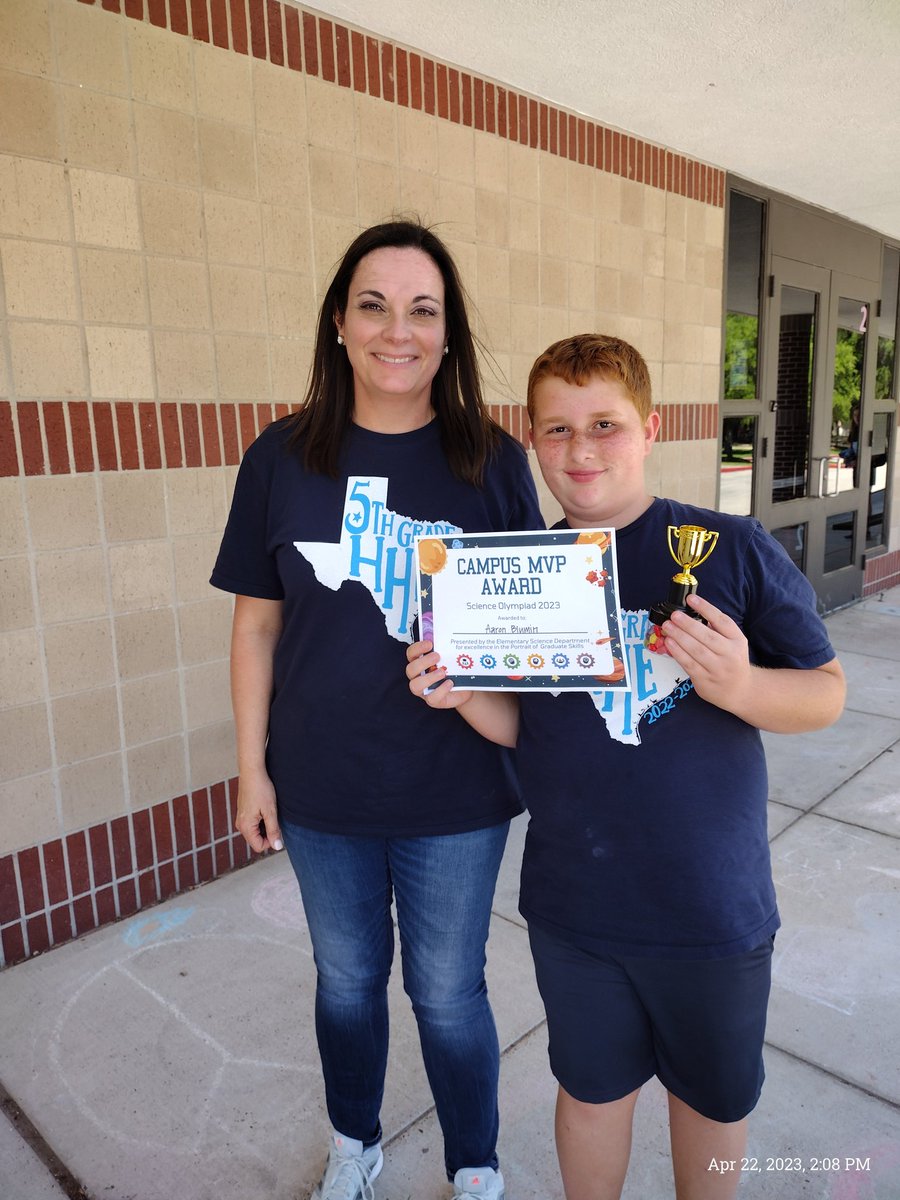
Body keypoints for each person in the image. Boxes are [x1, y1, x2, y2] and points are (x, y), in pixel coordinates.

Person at [407, 333, 846, 1200]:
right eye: (558, 429)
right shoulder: (516, 573)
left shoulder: (727, 546)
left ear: (648, 429)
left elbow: (825, 693)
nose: (581, 450)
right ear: (531, 440)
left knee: (711, 1103)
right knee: (592, 1096)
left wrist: (741, 683)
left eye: (604, 425)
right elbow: (522, 728)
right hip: (579, 910)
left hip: (709, 907)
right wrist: (461, 693)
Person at [210, 220, 543, 1200]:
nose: (398, 329)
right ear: (339, 323)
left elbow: (532, 623)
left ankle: (475, 1166)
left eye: (423, 309)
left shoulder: (491, 458)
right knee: (347, 986)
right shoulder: (279, 458)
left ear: (448, 335)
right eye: (374, 304)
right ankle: (356, 1143)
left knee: (448, 996)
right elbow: (255, 629)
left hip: (457, 793)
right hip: (321, 790)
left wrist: (486, 687)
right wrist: (251, 768)